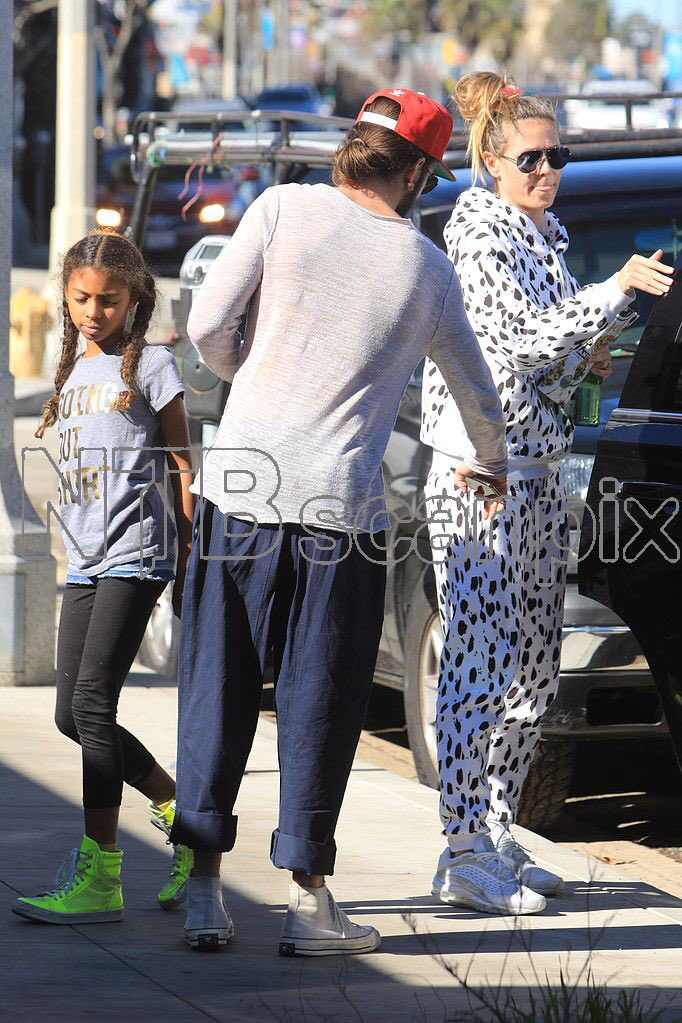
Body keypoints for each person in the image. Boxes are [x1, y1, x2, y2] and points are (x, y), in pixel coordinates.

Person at [171, 87, 508, 955]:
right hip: (341, 511)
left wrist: (250, 377)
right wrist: (495, 462)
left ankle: (205, 891)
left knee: (219, 681)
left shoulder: (280, 208)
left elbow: (206, 322)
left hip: (239, 486)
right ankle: (307, 898)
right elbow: (476, 389)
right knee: (321, 696)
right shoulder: (426, 270)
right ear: (423, 172)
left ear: (358, 142)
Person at [421, 71, 674, 916]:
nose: (546, 169)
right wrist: (614, 293)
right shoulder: (480, 234)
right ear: (491, 161)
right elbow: (521, 343)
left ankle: (495, 835)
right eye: (531, 157)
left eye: (557, 155)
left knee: (532, 671)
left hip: (536, 474)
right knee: (477, 669)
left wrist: (590, 346)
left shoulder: (544, 235)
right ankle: (460, 850)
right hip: (481, 474)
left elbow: (557, 362)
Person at [12, 230, 195, 925]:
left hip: (137, 552)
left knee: (92, 704)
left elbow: (182, 461)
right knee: (71, 714)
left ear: (134, 298)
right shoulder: (76, 367)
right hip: (83, 558)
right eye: (83, 299)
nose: (95, 311)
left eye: (110, 301)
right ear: (66, 296)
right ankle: (187, 816)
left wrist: (183, 551)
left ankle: (102, 874)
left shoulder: (149, 365)